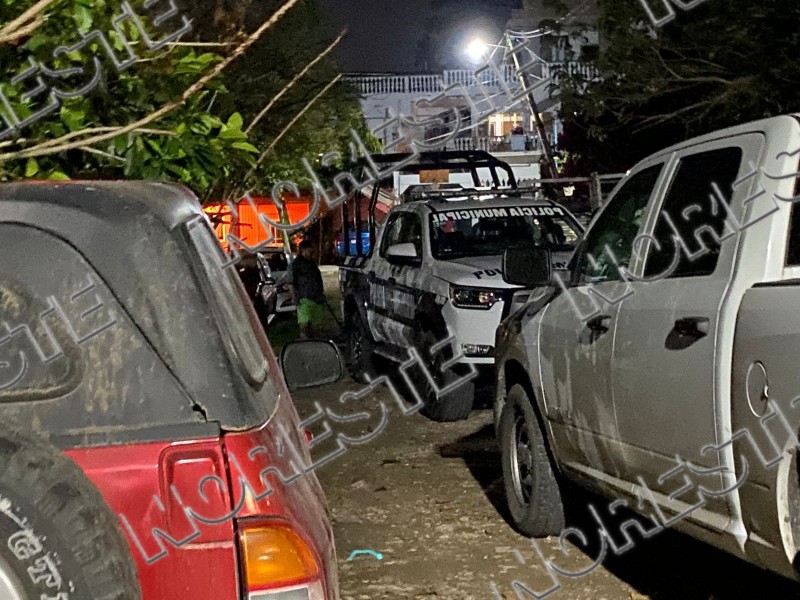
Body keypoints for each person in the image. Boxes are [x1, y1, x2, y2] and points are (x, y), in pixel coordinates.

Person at [290, 240, 325, 339]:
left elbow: (318, 279)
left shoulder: (312, 263)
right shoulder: (296, 264)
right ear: (302, 250)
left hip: (316, 299)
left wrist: (321, 294)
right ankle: (305, 343)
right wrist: (294, 297)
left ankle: (314, 342)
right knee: (304, 324)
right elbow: (291, 282)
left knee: (315, 326)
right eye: (309, 249)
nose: (312, 251)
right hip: (303, 298)